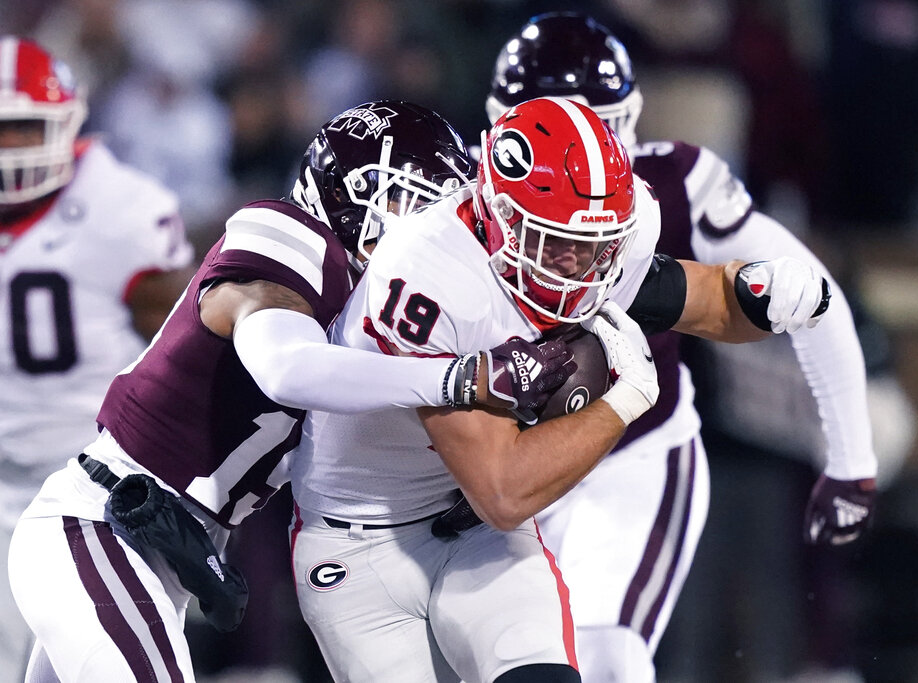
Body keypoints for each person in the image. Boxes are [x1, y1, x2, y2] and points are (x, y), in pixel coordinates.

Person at [7, 99, 574, 683]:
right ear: (354, 198)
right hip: (99, 525)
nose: (429, 227)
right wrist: (461, 378)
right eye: (413, 201)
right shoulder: (290, 236)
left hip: (162, 550)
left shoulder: (383, 315)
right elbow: (284, 366)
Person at [288, 94, 831, 683]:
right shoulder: (429, 274)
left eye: (597, 244)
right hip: (361, 546)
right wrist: (622, 404)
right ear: (498, 214)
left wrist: (767, 292)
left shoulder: (596, 243)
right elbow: (503, 490)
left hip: (474, 534)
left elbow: (706, 299)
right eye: (555, 241)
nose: (577, 263)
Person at [482, 13, 880, 682]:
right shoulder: (450, 211)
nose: (576, 167)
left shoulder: (673, 187)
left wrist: (852, 456)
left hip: (631, 457)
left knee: (605, 658)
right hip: (499, 460)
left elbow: (809, 293)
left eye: (596, 134)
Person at [0, 36, 196, 682]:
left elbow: (188, 346)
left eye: (25, 129)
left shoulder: (119, 207)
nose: (11, 151)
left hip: (95, 487)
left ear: (65, 123)